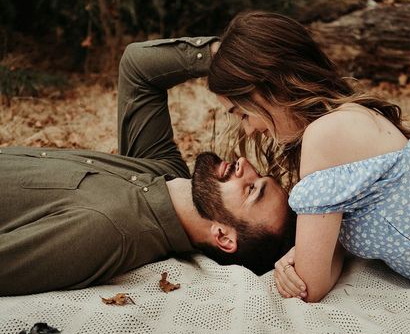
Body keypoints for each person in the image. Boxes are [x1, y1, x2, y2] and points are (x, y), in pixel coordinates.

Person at [208, 10, 410, 325]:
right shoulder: (347, 115)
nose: (249, 129)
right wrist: (310, 250)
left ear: (269, 85)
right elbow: (332, 246)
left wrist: (298, 261)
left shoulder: (326, 135)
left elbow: (311, 285)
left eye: (242, 113)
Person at [0, 36, 294, 296]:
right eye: (259, 176)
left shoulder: (111, 230)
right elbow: (138, 67)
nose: (245, 165)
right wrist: (232, 58)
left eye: (252, 190)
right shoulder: (162, 169)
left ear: (222, 236)